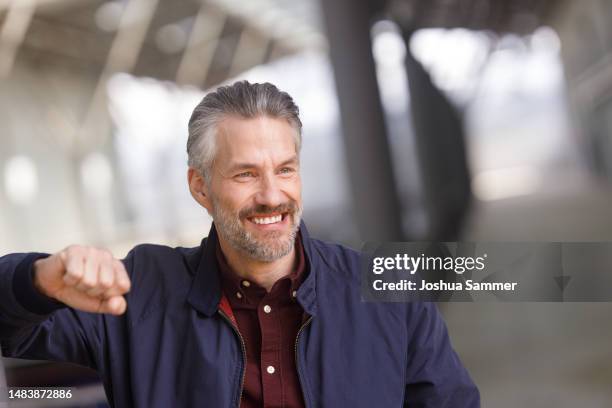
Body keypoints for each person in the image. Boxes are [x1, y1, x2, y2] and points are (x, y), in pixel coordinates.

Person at [0, 81, 479, 407]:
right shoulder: (137, 294)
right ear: (200, 187)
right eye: (246, 174)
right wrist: (40, 278)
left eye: (285, 169)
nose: (272, 195)